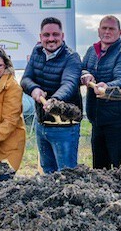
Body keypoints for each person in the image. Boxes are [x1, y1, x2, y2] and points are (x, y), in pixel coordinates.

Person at [21, 16, 83, 173]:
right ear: (40, 36)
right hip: (42, 125)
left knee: (66, 173)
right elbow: (26, 79)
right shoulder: (37, 52)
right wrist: (34, 89)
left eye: (55, 34)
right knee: (48, 171)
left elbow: (69, 84)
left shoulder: (71, 57)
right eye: (46, 35)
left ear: (62, 36)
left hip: (64, 127)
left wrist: (54, 102)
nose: (51, 39)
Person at [80, 15, 121, 169]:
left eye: (111, 29)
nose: (107, 31)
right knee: (99, 170)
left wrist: (107, 86)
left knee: (120, 171)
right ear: (98, 31)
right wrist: (85, 74)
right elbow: (82, 69)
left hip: (119, 124)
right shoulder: (92, 51)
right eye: (104, 28)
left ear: (120, 32)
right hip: (97, 121)